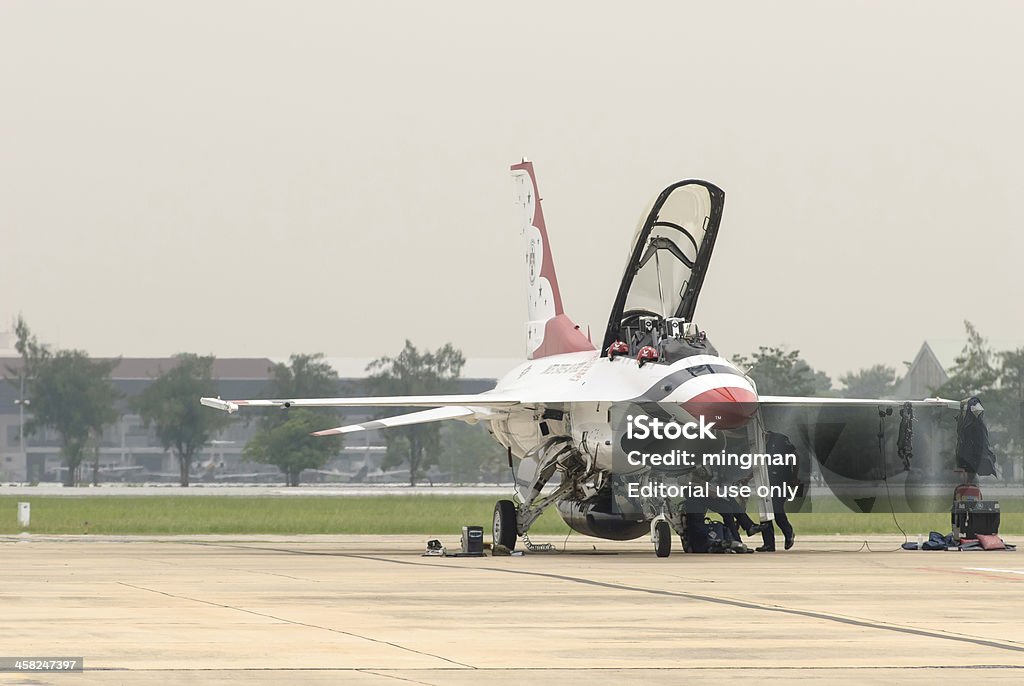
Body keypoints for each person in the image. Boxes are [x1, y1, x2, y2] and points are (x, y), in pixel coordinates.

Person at [757, 431, 798, 552]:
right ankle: (769, 544)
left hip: (781, 480)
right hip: (766, 481)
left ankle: (788, 531)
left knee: (776, 509)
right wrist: (748, 478)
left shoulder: (780, 439)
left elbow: (795, 456)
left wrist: (794, 476)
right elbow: (760, 464)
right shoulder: (758, 444)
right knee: (764, 510)